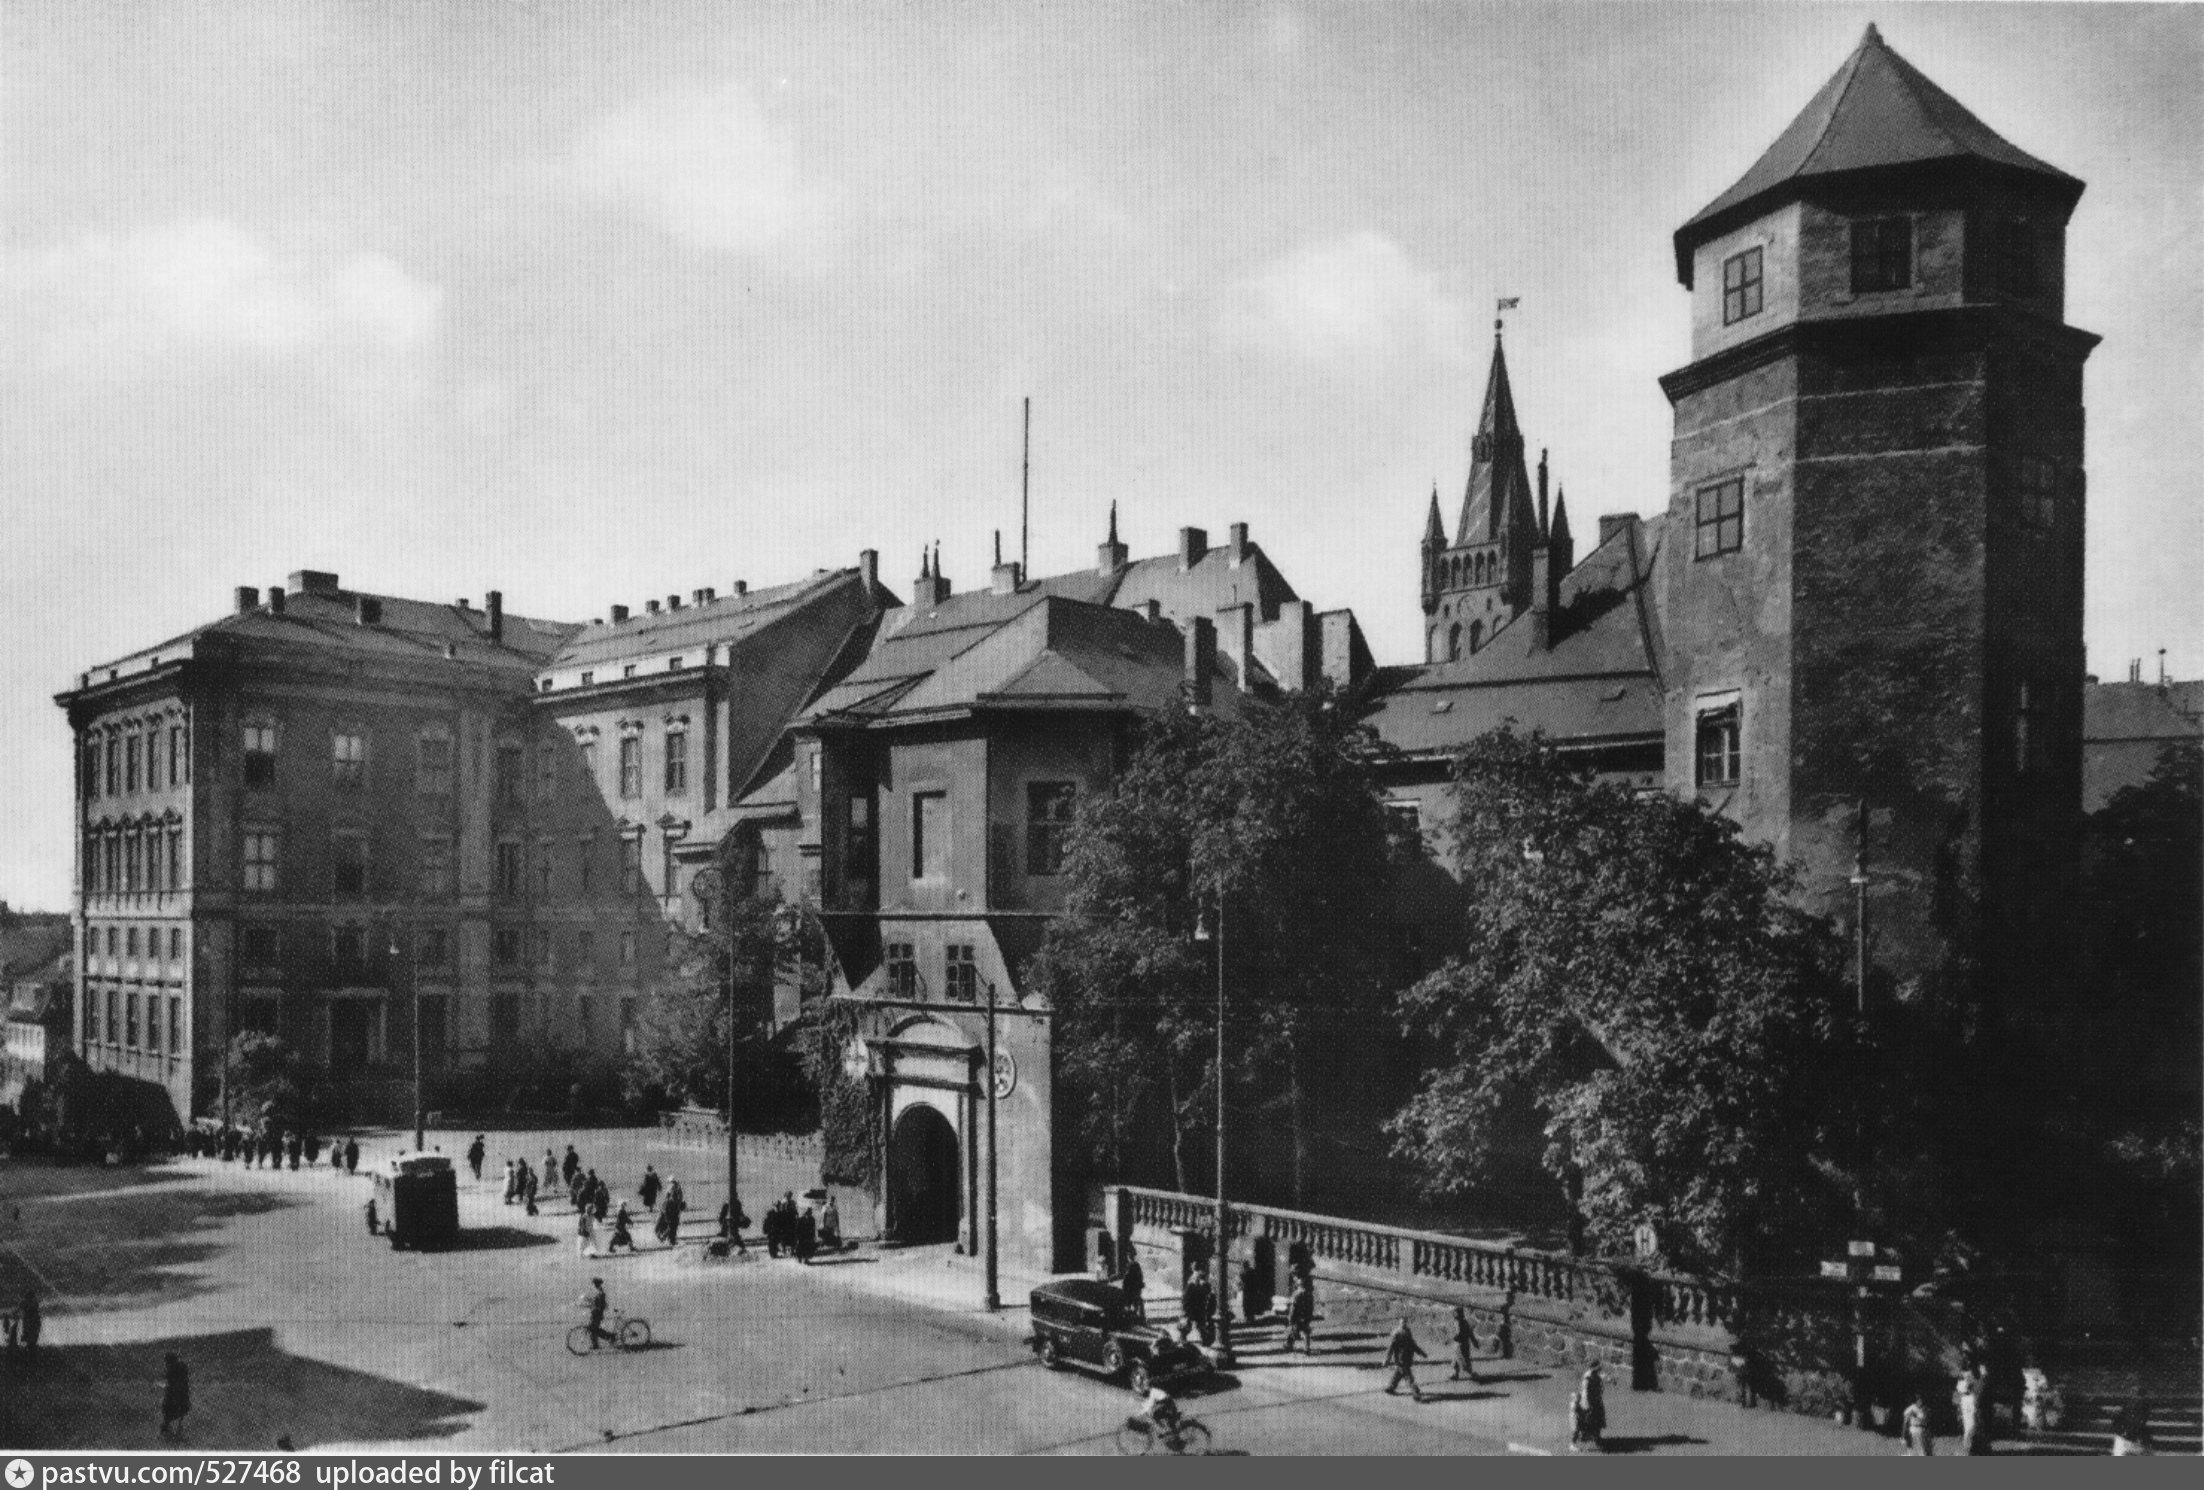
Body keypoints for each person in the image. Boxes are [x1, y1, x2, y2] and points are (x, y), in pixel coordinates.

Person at [1384, 1317, 1429, 1402]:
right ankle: (1415, 1393)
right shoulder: (1397, 1334)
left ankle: (1391, 1387)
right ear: (1400, 1323)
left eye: (1404, 1323)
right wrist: (1387, 1359)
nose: (1403, 1324)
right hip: (1402, 1360)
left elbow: (1414, 1346)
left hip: (1405, 1359)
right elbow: (1391, 1348)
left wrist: (1422, 1353)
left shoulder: (1406, 1333)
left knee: (1400, 1374)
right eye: (1402, 1323)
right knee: (1406, 1376)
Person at [1571, 1362, 1606, 1451]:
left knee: (1598, 1419)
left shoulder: (1595, 1375)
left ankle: (1595, 1437)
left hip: (1596, 1401)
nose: (1599, 1369)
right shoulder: (1587, 1378)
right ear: (1593, 1368)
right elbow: (1585, 1393)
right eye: (1597, 1368)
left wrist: (1608, 1379)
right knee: (1586, 1421)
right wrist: (1587, 1405)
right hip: (1590, 1402)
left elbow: (1600, 1378)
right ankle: (1576, 1441)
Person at [1139, 1384, 1185, 1451]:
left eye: (1144, 1393)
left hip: (1168, 1404)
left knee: (1156, 1416)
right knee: (1167, 1421)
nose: (1144, 1395)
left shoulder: (1152, 1393)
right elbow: (1150, 1404)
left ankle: (1169, 1436)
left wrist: (1141, 1413)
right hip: (1168, 1403)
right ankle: (1169, 1435)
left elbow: (1149, 1405)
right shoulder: (1153, 1391)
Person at [160, 1352, 191, 1439]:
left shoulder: (173, 1369)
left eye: (167, 1362)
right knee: (179, 1412)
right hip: (181, 1393)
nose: (166, 1364)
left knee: (170, 1412)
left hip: (175, 1394)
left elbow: (170, 1382)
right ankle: (176, 1431)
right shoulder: (182, 1367)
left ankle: (171, 1431)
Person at [1181, 1270, 1215, 1347]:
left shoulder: (1195, 1286)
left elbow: (1186, 1299)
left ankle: (1184, 1338)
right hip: (1197, 1310)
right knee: (1198, 1326)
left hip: (1196, 1310)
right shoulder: (1199, 1286)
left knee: (1198, 1326)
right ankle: (1204, 1340)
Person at [1283, 1278, 1316, 1355]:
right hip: (1306, 1316)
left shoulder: (1296, 1294)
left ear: (1299, 1285)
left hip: (1297, 1317)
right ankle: (1306, 1348)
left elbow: (1293, 1307)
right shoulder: (1309, 1295)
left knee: (1293, 1331)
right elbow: (1311, 1307)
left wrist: (1290, 1317)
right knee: (1306, 1332)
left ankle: (1288, 1344)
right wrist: (1310, 1316)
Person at [579, 1278, 614, 1350]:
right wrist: (588, 1301)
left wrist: (590, 1305)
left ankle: (610, 1337)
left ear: (597, 1284)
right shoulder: (599, 1291)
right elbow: (595, 1302)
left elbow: (599, 1304)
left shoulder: (601, 1292)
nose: (594, 1285)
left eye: (595, 1283)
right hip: (595, 1313)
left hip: (597, 1314)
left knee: (593, 1329)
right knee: (593, 1328)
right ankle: (595, 1345)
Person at [1449, 1305, 1480, 1383]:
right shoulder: (1461, 1322)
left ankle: (1473, 1374)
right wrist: (1474, 1341)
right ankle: (1455, 1374)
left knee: (1463, 1361)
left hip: (1461, 1345)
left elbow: (1460, 1334)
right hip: (1459, 1344)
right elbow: (1470, 1333)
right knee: (1455, 1360)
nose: (1453, 1314)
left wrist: (1451, 1339)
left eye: (1455, 1313)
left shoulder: (1461, 1323)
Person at [1120, 1253, 1146, 1320]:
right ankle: (1140, 1316)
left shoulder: (1131, 1266)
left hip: (1131, 1288)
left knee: (1131, 1302)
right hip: (1135, 1288)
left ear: (1128, 1257)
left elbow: (1127, 1278)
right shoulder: (1136, 1265)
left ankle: (1132, 1317)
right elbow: (1140, 1276)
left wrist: (1125, 1286)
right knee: (1137, 1302)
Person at [19, 1288, 41, 1360]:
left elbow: (23, 1310)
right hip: (33, 1322)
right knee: (32, 1338)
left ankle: (30, 1354)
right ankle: (31, 1354)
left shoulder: (26, 1303)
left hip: (30, 1322)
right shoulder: (34, 1303)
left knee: (30, 1338)